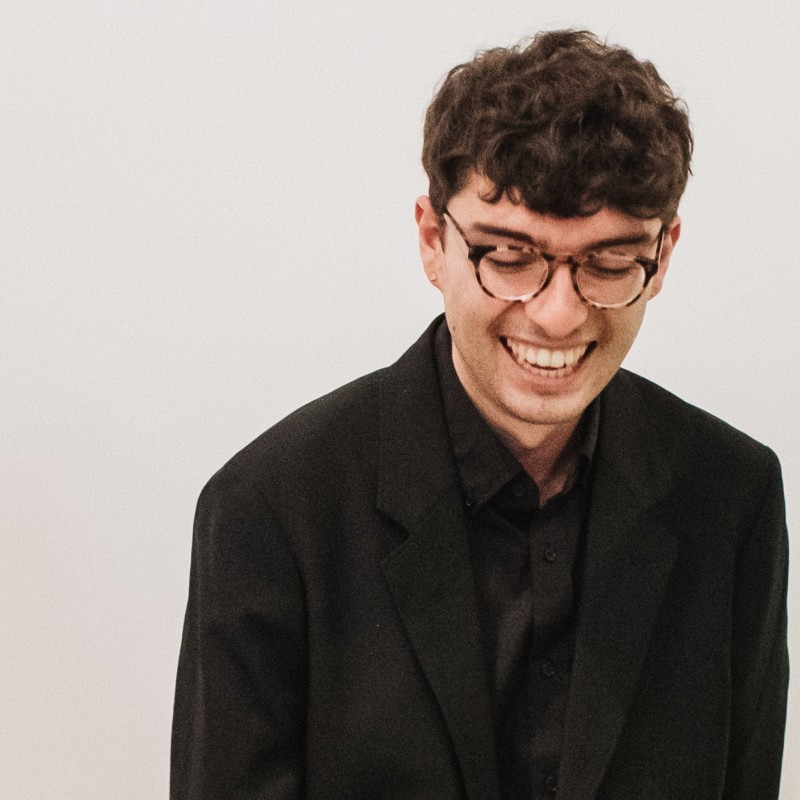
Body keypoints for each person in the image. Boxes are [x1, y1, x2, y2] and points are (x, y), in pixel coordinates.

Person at [171, 30, 789, 800]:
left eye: (607, 263)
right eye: (509, 256)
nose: (558, 315)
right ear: (433, 240)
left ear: (662, 256)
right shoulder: (270, 510)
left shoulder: (733, 497)